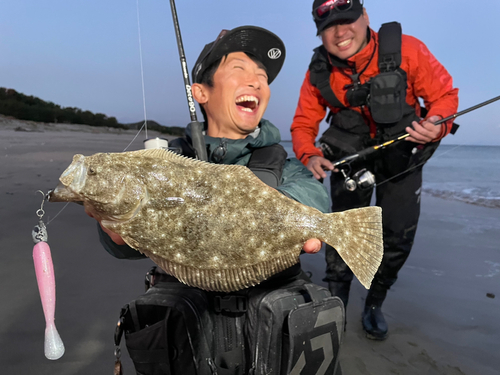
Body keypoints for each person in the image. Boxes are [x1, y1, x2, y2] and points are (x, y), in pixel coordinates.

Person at [88, 26, 338, 373]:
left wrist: (255, 214)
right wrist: (115, 225)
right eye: (239, 69)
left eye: (262, 76)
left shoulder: (286, 164)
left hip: (268, 331)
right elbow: (122, 241)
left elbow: (312, 200)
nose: (255, 82)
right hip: (190, 337)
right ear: (200, 92)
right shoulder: (164, 162)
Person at [290, 0, 459, 340]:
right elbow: (303, 123)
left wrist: (437, 124)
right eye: (329, 27)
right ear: (320, 32)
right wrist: (308, 154)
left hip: (402, 157)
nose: (340, 32)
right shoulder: (318, 70)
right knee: (342, 233)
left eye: (348, 20)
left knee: (397, 235)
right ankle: (337, 302)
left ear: (365, 17)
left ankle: (374, 302)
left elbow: (444, 96)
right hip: (350, 160)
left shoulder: (408, 49)